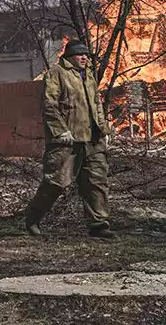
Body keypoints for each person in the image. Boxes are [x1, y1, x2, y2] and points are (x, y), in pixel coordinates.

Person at [25, 39, 115, 238]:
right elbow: (49, 104)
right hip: (67, 140)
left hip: (92, 139)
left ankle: (98, 224)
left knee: (96, 181)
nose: (84, 58)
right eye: (80, 55)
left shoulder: (89, 75)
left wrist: (103, 130)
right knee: (56, 182)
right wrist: (60, 131)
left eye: (86, 55)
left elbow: (97, 105)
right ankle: (33, 217)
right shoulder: (57, 73)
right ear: (69, 57)